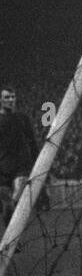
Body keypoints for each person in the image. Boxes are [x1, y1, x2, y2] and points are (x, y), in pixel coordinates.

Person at [0, 85, 39, 229]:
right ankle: (10, 240)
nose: (10, 100)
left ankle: (12, 238)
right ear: (0, 100)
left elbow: (32, 142)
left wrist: (38, 164)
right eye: (6, 97)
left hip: (21, 167)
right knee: (7, 204)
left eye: (12, 97)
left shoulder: (23, 118)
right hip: (2, 169)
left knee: (15, 200)